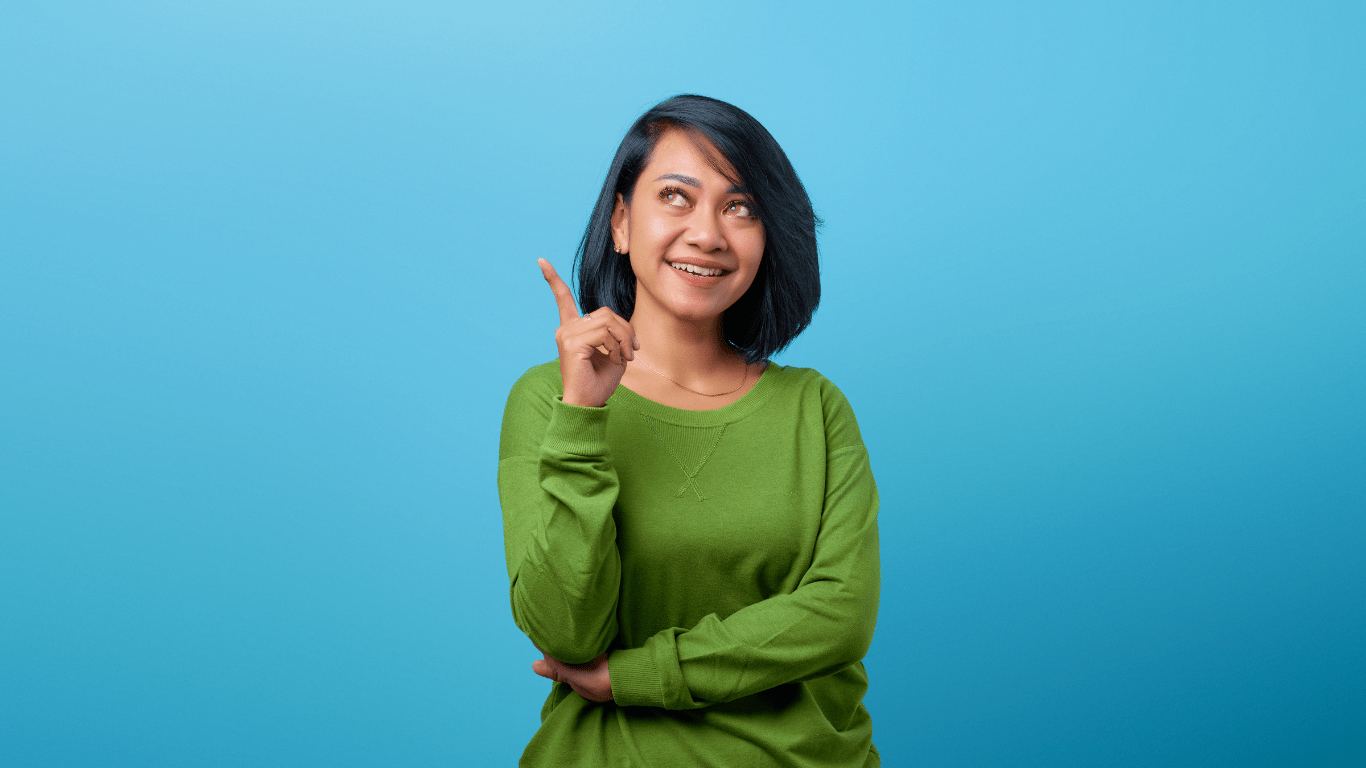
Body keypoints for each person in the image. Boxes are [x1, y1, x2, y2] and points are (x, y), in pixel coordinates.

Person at [498, 94, 880, 767]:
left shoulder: (815, 410)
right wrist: (583, 417)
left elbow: (841, 616)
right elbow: (567, 631)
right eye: (676, 196)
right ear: (620, 221)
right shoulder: (548, 401)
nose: (709, 233)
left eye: (742, 207)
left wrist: (637, 677)